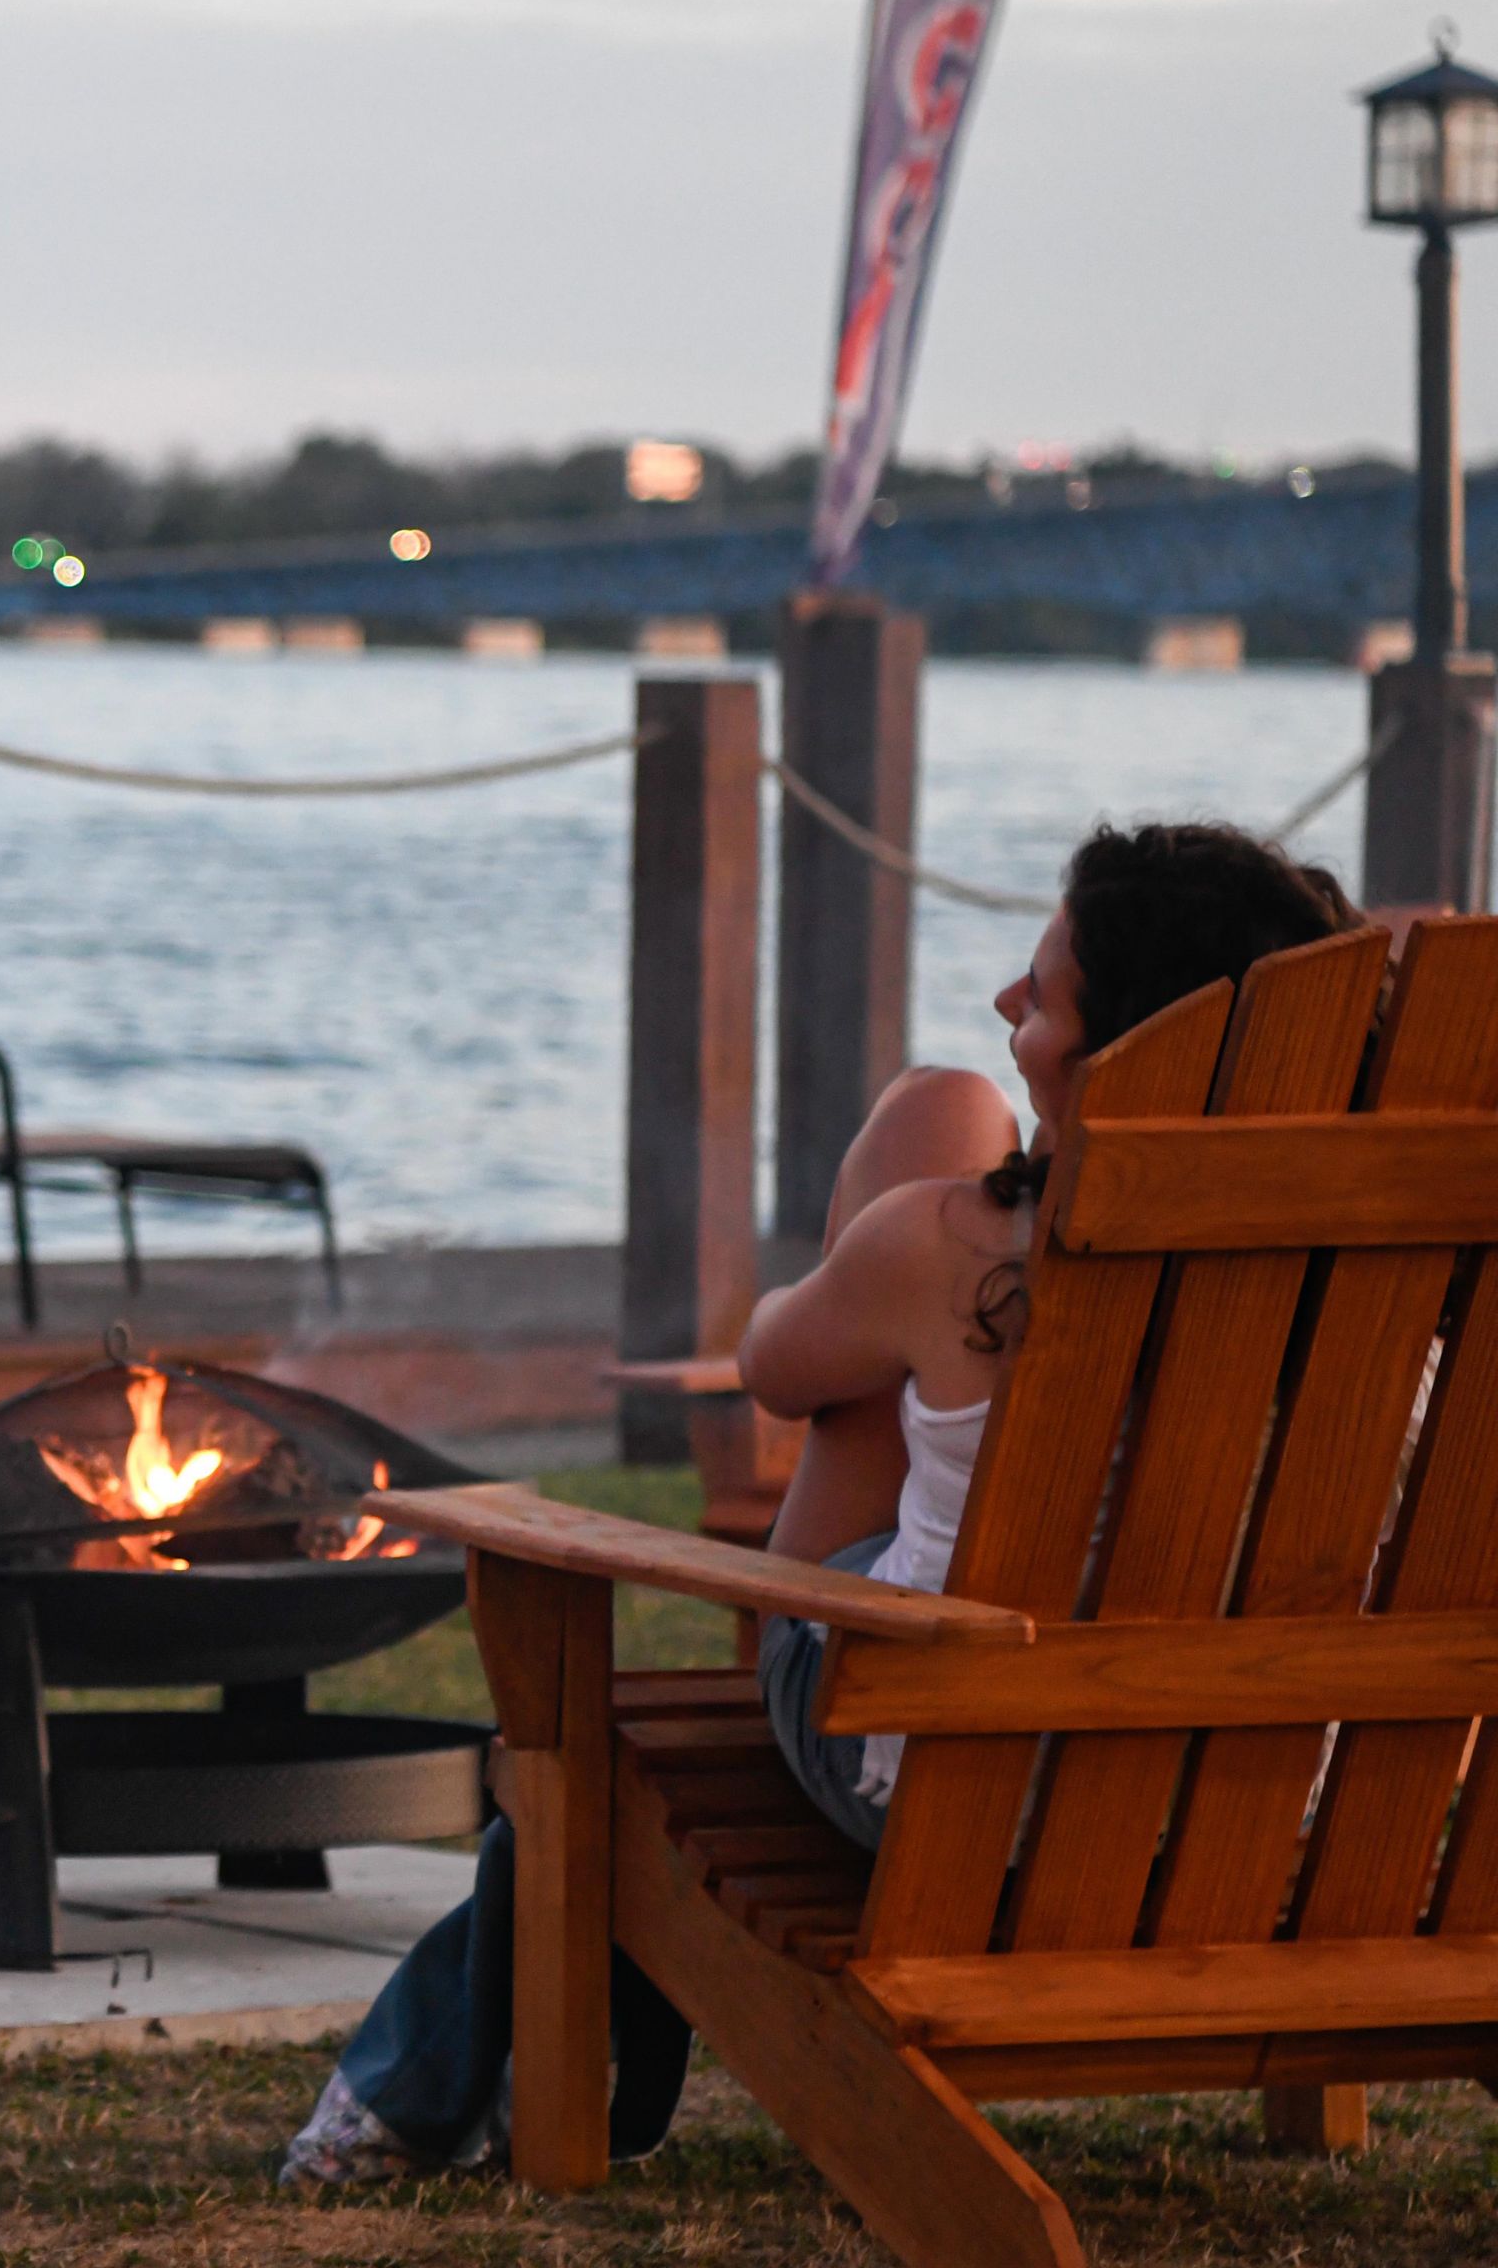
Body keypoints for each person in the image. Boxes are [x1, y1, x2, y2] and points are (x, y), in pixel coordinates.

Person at [280, 819, 1361, 2187]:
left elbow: (773, 1368)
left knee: (602, 1731)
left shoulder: (962, 1248)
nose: (1010, 1010)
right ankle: (396, 2097)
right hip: (1274, 1799)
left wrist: (878, 1253)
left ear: (1132, 1050)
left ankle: (407, 2100)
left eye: (1045, 994)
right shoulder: (1401, 1275)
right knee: (944, 1127)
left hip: (951, 1790)